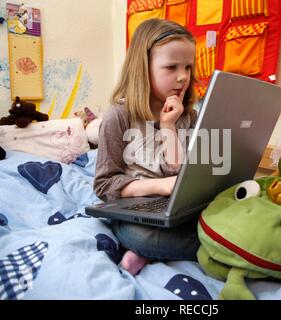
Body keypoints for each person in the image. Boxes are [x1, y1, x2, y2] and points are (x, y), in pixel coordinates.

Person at [93, 19, 200, 275]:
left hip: (177, 206)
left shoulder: (188, 116)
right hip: (136, 210)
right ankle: (221, 248)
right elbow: (104, 185)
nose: (183, 76)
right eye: (171, 67)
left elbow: (181, 168)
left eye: (188, 67)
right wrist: (160, 185)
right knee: (142, 237)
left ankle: (211, 242)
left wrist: (168, 126)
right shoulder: (118, 116)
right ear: (143, 68)